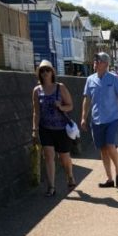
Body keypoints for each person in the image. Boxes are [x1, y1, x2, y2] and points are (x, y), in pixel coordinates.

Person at [81, 52, 118, 189]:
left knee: (110, 145)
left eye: (99, 60)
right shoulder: (90, 80)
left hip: (112, 119)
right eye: (95, 60)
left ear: (106, 64)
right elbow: (87, 99)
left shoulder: (113, 79)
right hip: (96, 119)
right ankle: (109, 179)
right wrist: (83, 118)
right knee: (103, 150)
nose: (95, 62)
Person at [31, 60, 76, 196]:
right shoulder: (37, 90)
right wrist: (35, 130)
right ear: (39, 73)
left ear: (52, 72)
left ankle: (69, 175)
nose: (45, 73)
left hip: (61, 128)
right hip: (45, 128)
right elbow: (36, 111)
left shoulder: (60, 87)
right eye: (42, 70)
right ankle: (51, 187)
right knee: (49, 156)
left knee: (64, 158)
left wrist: (61, 106)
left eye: (47, 70)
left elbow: (70, 105)